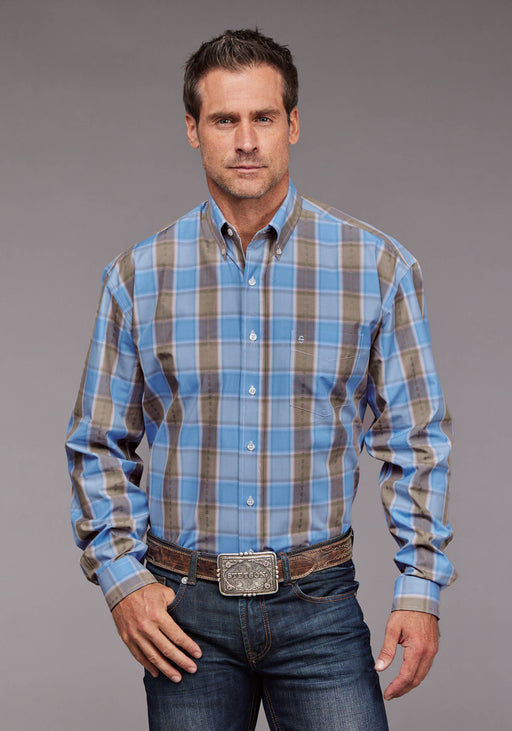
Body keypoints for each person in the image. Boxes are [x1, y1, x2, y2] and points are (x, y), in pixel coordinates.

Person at [66, 28, 455, 731]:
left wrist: (421, 584)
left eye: (263, 117)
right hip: (184, 614)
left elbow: (416, 438)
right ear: (193, 129)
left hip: (319, 606)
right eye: (225, 120)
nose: (246, 141)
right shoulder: (137, 277)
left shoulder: (377, 269)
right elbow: (97, 443)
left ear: (292, 124)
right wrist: (123, 581)